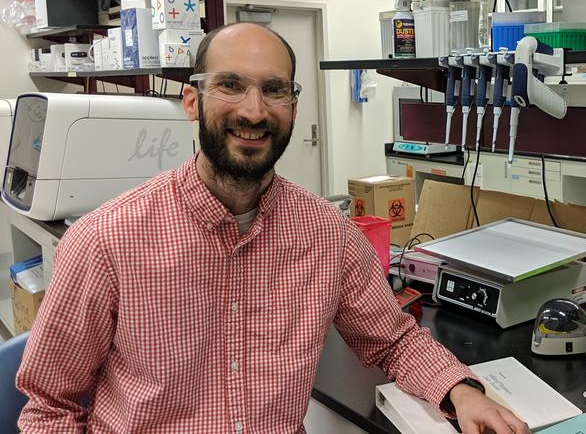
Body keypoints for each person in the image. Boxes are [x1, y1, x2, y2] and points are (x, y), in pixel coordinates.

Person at [17, 23, 531, 434]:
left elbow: (393, 339)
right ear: (192, 101)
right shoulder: (107, 240)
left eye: (273, 90)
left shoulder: (327, 234)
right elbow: (49, 406)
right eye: (231, 85)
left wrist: (460, 391)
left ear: (293, 107)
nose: (253, 110)